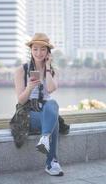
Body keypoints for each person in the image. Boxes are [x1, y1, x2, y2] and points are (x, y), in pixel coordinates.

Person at [14, 33, 64, 176]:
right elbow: (21, 101)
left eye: (43, 49)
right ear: (31, 50)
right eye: (35, 49)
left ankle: (44, 139)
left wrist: (47, 67)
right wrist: (29, 87)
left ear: (48, 52)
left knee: (52, 103)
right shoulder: (21, 71)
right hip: (28, 114)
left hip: (46, 111)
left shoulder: (52, 71)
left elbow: (49, 89)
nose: (39, 53)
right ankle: (52, 162)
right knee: (54, 122)